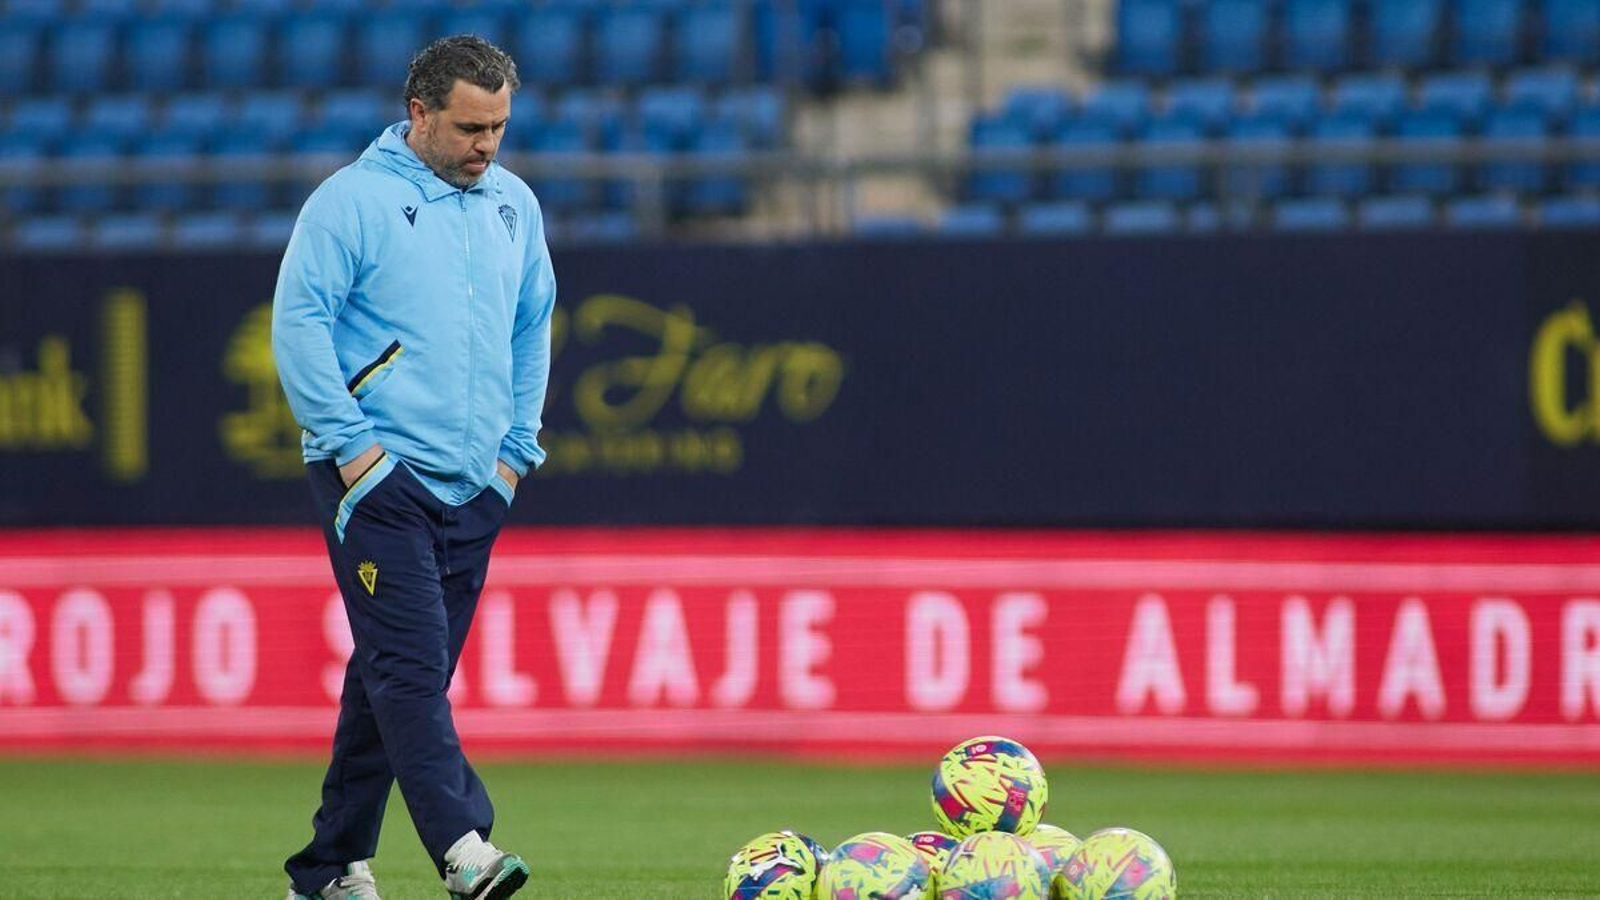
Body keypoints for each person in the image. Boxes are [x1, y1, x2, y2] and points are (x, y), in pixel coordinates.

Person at [271, 34, 554, 900]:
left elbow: (532, 323)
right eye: (470, 126)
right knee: (405, 667)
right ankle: (464, 846)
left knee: (396, 675)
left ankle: (328, 866)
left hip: (476, 483)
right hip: (378, 480)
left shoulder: (512, 203)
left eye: (499, 127)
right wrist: (356, 453)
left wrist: (515, 453)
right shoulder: (350, 202)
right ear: (420, 113)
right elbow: (299, 325)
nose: (486, 146)